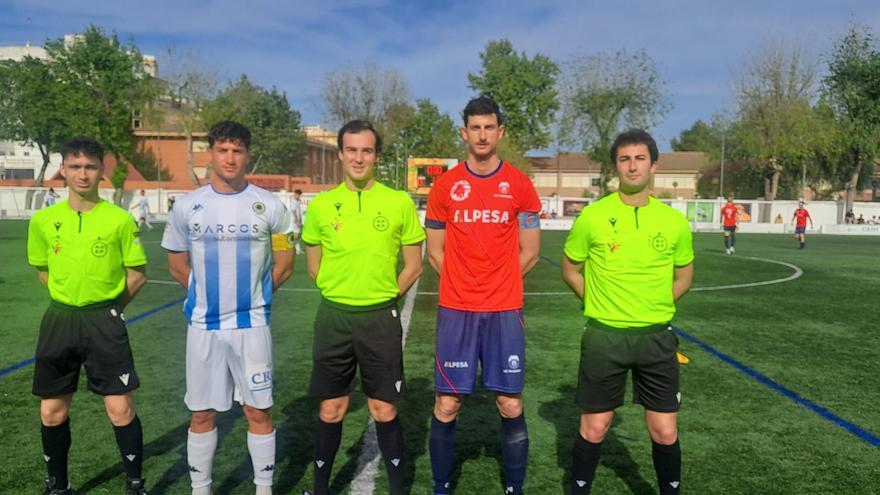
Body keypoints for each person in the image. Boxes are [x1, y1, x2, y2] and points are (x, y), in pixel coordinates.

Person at [161, 121, 295, 495]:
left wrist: (257, 295)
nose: (231, 158)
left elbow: (285, 261)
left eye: (237, 151)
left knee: (258, 410)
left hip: (252, 326)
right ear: (212, 154)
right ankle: (200, 489)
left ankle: (263, 489)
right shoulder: (188, 205)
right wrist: (203, 294)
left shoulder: (270, 205)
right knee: (202, 413)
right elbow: (176, 264)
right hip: (204, 327)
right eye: (223, 150)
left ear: (247, 155)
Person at [561, 130, 694, 495]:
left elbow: (684, 276)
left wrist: (654, 305)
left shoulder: (674, 222)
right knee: (596, 427)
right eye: (624, 159)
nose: (632, 166)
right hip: (605, 338)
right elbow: (571, 269)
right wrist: (597, 302)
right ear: (615, 166)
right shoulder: (593, 216)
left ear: (654, 165)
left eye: (639, 158)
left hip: (656, 338)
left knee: (664, 430)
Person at [425, 96, 542, 495]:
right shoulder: (445, 186)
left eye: (489, 127)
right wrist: (465, 282)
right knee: (447, 405)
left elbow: (531, 251)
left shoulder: (521, 186)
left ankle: (514, 488)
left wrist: (498, 282)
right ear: (464, 132)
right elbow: (435, 251)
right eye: (475, 127)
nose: (482, 134)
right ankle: (441, 487)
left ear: (500, 131)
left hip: (504, 310)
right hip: (456, 310)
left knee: (510, 403)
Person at [301, 120, 424, 495]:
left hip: (379, 320)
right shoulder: (321, 205)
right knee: (331, 409)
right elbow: (313, 264)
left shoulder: (399, 202)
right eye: (351, 150)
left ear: (377, 156)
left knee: (384, 410)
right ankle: (321, 489)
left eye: (366, 150)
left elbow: (414, 265)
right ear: (340, 154)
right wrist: (338, 290)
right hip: (334, 319)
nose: (359, 158)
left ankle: (398, 488)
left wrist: (387, 297)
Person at [27, 137, 149, 495]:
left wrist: (110, 310)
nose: (83, 174)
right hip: (60, 321)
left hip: (103, 322)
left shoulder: (120, 220)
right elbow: (44, 272)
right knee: (52, 411)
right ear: (63, 169)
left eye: (90, 167)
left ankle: (135, 483)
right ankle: (58, 486)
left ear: (101, 171)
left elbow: (137, 274)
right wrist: (70, 300)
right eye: (75, 167)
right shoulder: (44, 221)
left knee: (120, 408)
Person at [289, 188, 304, 255]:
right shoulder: (293, 201)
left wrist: (300, 219)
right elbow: (293, 211)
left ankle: (298, 249)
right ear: (295, 194)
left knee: (298, 235)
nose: (298, 196)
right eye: (297, 194)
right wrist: (297, 220)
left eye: (299, 195)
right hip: (294, 220)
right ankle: (290, 246)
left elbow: (299, 211)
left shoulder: (299, 201)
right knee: (296, 234)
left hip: (299, 219)